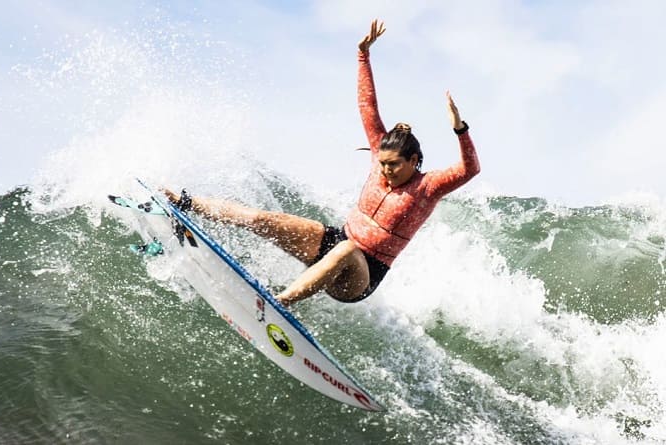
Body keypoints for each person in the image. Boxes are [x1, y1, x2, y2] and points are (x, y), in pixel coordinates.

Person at [164, 19, 480, 307]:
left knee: (346, 250)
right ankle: (185, 203)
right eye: (383, 163)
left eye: (393, 165)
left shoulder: (428, 187)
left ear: (413, 160)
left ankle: (279, 302)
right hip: (335, 241)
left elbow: (470, 169)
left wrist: (460, 129)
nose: (385, 170)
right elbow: (367, 106)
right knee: (265, 219)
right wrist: (363, 55)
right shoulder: (379, 154)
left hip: (363, 273)